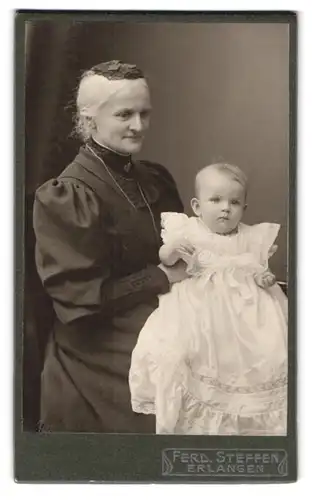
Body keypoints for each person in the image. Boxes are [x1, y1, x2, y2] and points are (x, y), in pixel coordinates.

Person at [33, 60, 186, 432]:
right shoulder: (66, 196)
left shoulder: (155, 179)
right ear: (90, 118)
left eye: (144, 113)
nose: (138, 126)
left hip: (163, 313)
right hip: (97, 346)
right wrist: (160, 278)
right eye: (124, 114)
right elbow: (84, 302)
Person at [129, 163, 288, 435]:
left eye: (234, 202)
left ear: (244, 209)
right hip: (200, 303)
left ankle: (250, 411)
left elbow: (259, 269)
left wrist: (264, 278)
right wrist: (172, 250)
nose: (225, 207)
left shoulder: (250, 238)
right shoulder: (189, 231)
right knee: (187, 347)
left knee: (268, 350)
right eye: (216, 200)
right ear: (198, 206)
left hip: (246, 307)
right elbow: (165, 258)